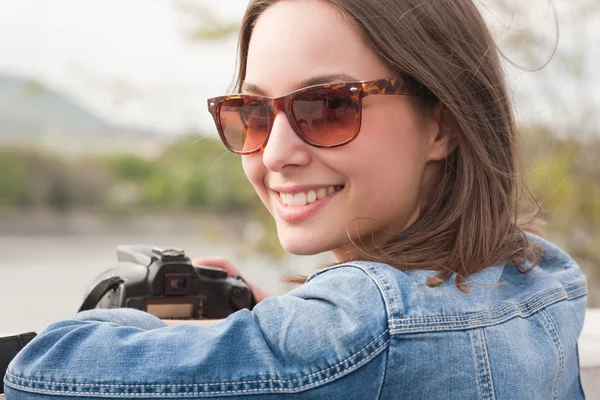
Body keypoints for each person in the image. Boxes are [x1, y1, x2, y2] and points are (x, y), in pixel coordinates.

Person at [4, 0, 588, 399]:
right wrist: (275, 322)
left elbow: (53, 373)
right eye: (251, 114)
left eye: (329, 106)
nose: (276, 153)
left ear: (442, 124)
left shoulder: (365, 329)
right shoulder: (543, 275)